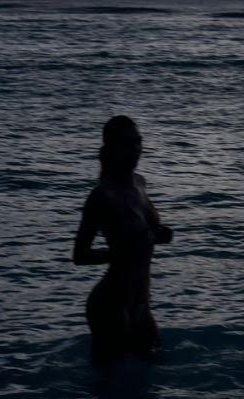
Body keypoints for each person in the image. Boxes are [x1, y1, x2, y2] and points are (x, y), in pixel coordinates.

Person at [72, 115, 173, 362]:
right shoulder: (102, 196)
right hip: (111, 304)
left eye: (138, 141)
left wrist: (158, 236)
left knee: (153, 367)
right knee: (108, 379)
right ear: (112, 148)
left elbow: (141, 234)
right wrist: (116, 254)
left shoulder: (140, 183)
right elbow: (80, 255)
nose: (136, 149)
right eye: (128, 143)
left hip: (141, 304)